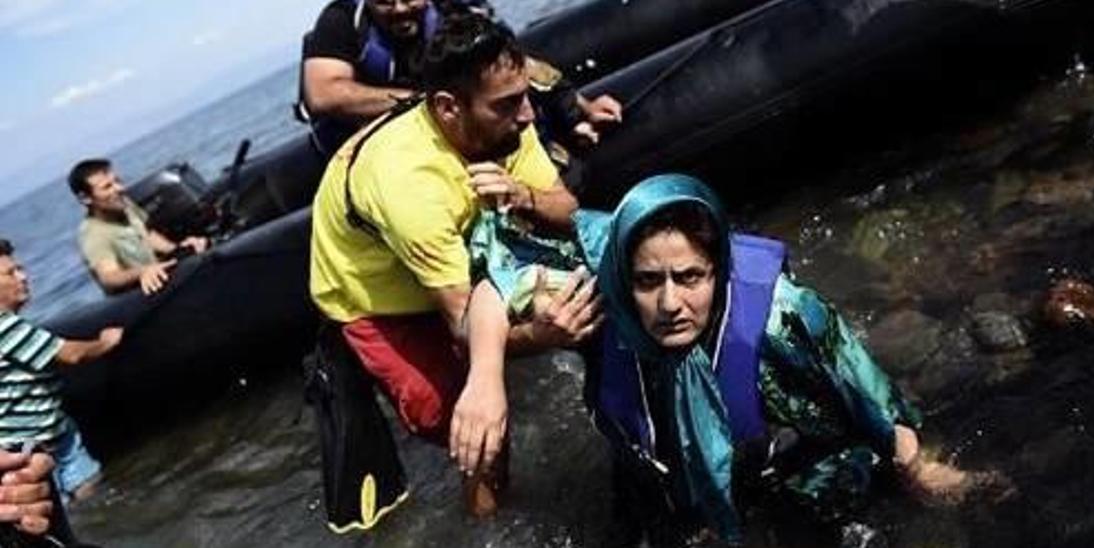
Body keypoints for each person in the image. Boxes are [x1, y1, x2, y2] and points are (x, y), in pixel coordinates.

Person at [564, 175, 1000, 546]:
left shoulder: (783, 319)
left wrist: (920, 468)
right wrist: (492, 376)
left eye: (690, 277)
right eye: (647, 281)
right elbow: (503, 272)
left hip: (798, 472)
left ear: (718, 270)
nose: (670, 302)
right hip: (675, 494)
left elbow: (868, 397)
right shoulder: (601, 315)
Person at [306, 12, 598, 532]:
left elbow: (569, 209)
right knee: (466, 419)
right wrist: (541, 336)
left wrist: (524, 195)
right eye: (509, 105)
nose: (529, 115)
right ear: (448, 107)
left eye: (525, 96)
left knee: (591, 301)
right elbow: (467, 328)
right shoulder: (407, 182)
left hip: (459, 245)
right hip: (373, 294)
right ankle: (490, 529)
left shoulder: (510, 118)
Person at [300, 0, 621, 155]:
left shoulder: (454, 7)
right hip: (380, 146)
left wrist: (581, 107)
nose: (399, 9)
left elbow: (513, 66)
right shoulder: (341, 21)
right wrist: (420, 103)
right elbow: (323, 94)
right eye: (385, 1)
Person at [0, 238, 124, 506]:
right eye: (11, 273)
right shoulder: (3, 328)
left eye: (21, 269)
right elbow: (71, 353)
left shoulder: (14, 325)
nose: (23, 277)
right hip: (26, 448)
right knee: (58, 510)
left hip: (58, 433)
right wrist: (105, 342)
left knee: (95, 497)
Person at [67, 159, 209, 295]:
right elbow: (109, 276)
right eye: (107, 187)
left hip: (164, 277)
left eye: (117, 181)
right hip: (141, 296)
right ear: (85, 198)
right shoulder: (93, 235)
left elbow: (147, 235)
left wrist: (181, 249)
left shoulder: (124, 205)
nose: (120, 188)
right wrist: (142, 272)